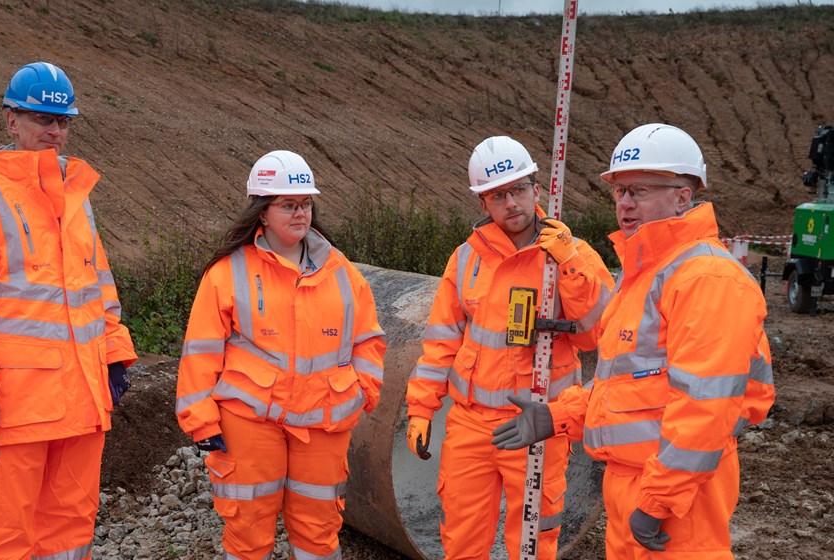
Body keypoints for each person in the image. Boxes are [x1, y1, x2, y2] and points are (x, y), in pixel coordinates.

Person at [492, 123, 776, 559]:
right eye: (619, 191)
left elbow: (705, 406)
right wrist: (560, 415)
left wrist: (659, 499)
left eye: (639, 190)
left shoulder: (706, 278)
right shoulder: (645, 274)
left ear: (684, 195)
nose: (624, 203)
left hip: (679, 497)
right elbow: (627, 382)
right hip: (632, 484)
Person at [0, 61, 137, 559]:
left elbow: (99, 287)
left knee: (71, 531)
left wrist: (113, 352)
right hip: (18, 405)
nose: (54, 131)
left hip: (84, 400)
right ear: (11, 121)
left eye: (62, 121)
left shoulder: (78, 199)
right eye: (42, 119)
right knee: (8, 536)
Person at [405, 136, 614, 559]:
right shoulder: (466, 258)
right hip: (470, 424)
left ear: (537, 191)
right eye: (498, 195)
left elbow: (595, 336)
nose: (511, 202)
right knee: (461, 537)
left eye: (518, 189)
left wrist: (569, 264)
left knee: (533, 543)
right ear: (483, 203)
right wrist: (421, 409)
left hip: (539, 421)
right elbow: (441, 342)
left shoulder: (572, 255)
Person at [175, 150, 387, 560]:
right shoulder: (228, 272)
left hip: (325, 422)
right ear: (262, 212)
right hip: (251, 422)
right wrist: (201, 420)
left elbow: (368, 340)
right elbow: (201, 350)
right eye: (288, 205)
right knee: (248, 529)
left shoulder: (341, 270)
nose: (300, 213)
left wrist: (362, 392)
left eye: (305, 204)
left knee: (319, 533)